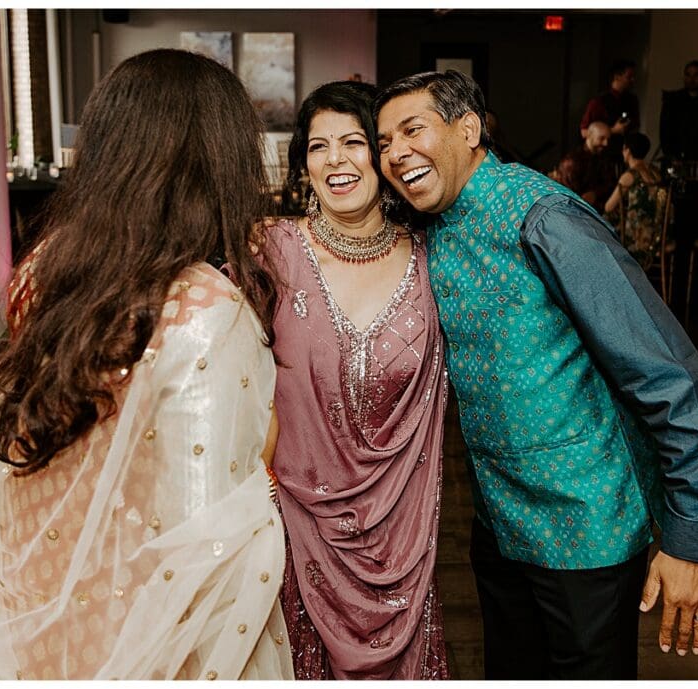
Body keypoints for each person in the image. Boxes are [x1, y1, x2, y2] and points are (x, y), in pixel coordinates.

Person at [0, 49, 294, 681]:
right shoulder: (208, 311)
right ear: (218, 163)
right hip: (139, 626)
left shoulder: (44, 268)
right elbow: (208, 539)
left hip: (27, 598)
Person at [375, 69, 698, 680]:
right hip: (500, 526)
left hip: (587, 528)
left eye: (412, 130)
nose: (396, 153)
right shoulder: (429, 227)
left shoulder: (546, 220)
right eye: (383, 142)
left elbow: (669, 377)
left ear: (468, 129)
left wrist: (690, 536)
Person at [266, 81, 450, 680]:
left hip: (403, 538)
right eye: (319, 147)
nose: (335, 161)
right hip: (296, 531)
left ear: (385, 154)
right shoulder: (270, 252)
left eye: (353, 142)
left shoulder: (434, 258)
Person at [604, 132, 666, 268]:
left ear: (627, 150)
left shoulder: (630, 176)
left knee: (603, 222)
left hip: (636, 238)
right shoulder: (656, 173)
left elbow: (608, 206)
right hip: (657, 235)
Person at [550, 121, 615, 213]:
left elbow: (610, 184)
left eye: (608, 139)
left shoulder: (604, 158)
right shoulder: (572, 162)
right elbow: (567, 194)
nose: (606, 143)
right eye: (601, 138)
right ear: (589, 135)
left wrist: (595, 194)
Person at [580, 58, 639, 154]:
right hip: (602, 155)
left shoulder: (632, 100)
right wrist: (613, 130)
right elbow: (584, 132)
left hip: (622, 155)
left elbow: (636, 125)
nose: (633, 80)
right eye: (629, 77)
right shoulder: (598, 102)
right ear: (617, 77)